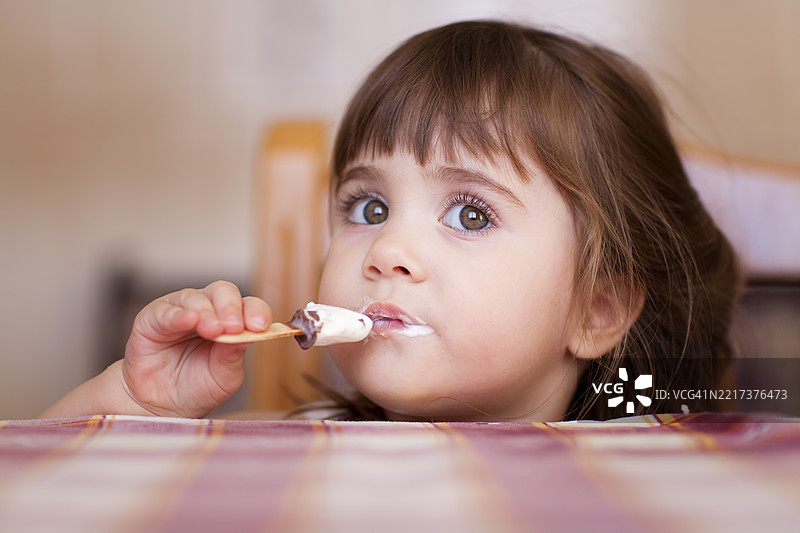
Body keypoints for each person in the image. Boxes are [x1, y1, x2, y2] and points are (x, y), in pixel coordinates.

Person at [41, 20, 740, 422]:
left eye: (470, 214)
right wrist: (134, 399)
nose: (387, 249)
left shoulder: (632, 484)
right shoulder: (305, 443)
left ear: (597, 307)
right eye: (368, 208)